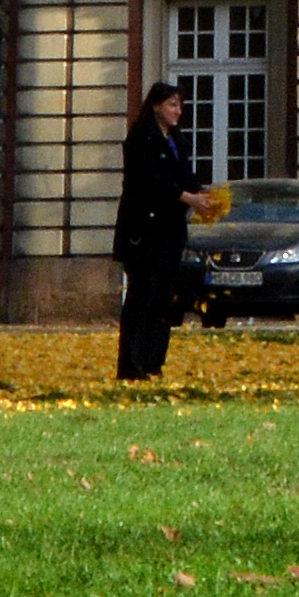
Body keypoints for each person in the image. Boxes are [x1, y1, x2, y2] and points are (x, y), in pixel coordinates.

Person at [113, 79, 205, 383]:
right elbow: (151, 182)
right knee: (143, 297)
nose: (178, 110)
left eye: (180, 104)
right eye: (172, 104)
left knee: (164, 299)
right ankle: (131, 363)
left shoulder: (176, 139)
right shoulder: (142, 138)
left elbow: (186, 177)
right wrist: (187, 197)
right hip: (144, 231)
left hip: (170, 232)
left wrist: (205, 197)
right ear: (155, 105)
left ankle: (153, 361)